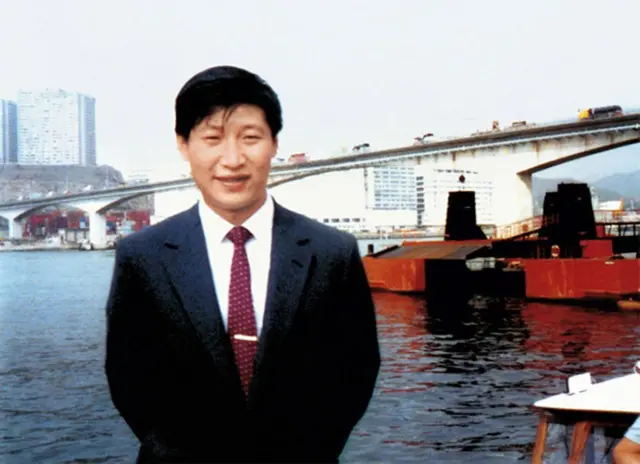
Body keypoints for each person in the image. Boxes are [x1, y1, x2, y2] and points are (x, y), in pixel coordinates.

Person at [104, 65, 381, 463]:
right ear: (184, 145)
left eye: (250, 138)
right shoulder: (143, 255)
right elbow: (129, 377)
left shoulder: (332, 252)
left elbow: (355, 370)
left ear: (274, 143)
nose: (232, 159)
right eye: (212, 138)